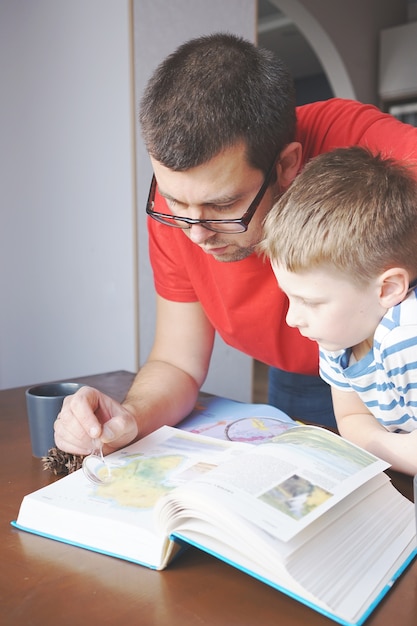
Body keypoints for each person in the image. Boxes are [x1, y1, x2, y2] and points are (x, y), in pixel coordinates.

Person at [54, 33, 417, 457]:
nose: (195, 233)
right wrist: (128, 420)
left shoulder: (365, 145)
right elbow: (177, 361)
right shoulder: (184, 213)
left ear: (287, 164)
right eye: (175, 201)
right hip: (300, 375)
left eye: (222, 205)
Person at [260, 146, 417, 475]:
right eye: (290, 297)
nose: (292, 318)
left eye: (311, 302)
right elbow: (351, 418)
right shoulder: (340, 335)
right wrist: (397, 450)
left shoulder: (406, 335)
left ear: (388, 289)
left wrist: (386, 450)